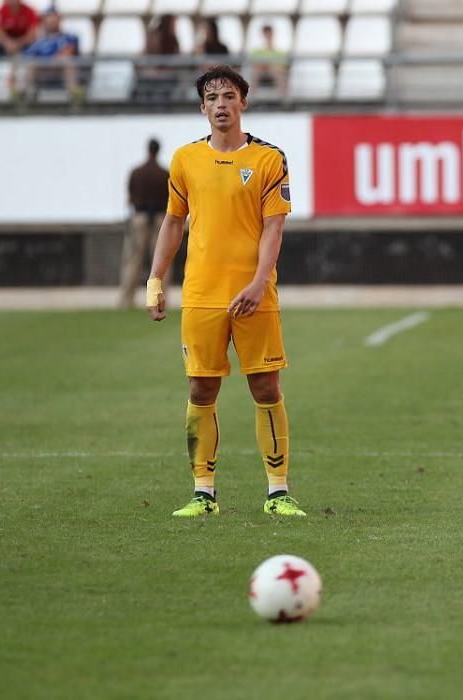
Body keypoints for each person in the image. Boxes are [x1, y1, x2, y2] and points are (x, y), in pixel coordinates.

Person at [146, 64, 304, 519]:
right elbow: (173, 222)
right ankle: (203, 493)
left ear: (243, 103)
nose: (221, 104)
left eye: (229, 96)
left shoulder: (269, 159)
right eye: (212, 97)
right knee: (201, 387)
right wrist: (156, 280)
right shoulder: (185, 160)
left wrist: (258, 282)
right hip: (201, 294)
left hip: (255, 294)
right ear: (202, 107)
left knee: (266, 385)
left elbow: (275, 228)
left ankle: (278, 492)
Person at [119, 138, 169, 309]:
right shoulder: (164, 173)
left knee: (133, 260)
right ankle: (160, 299)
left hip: (140, 217)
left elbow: (130, 195)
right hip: (160, 218)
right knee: (161, 260)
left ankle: (127, 299)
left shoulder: (137, 172)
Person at [22, 7, 82, 101]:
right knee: (31, 64)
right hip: (43, 73)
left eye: (54, 18)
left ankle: (74, 96)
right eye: (48, 19)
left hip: (60, 72)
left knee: (65, 61)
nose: (51, 21)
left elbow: (68, 52)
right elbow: (28, 55)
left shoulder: (69, 37)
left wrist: (53, 61)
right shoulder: (39, 41)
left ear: (59, 20)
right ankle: (24, 96)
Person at [250, 24, 286, 94]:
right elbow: (254, 65)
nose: (268, 35)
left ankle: (283, 100)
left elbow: (282, 67)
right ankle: (251, 98)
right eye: (266, 33)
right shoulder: (257, 51)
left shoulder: (280, 52)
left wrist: (269, 66)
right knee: (256, 71)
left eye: (269, 33)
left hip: (275, 74)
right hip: (261, 74)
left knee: (280, 74)